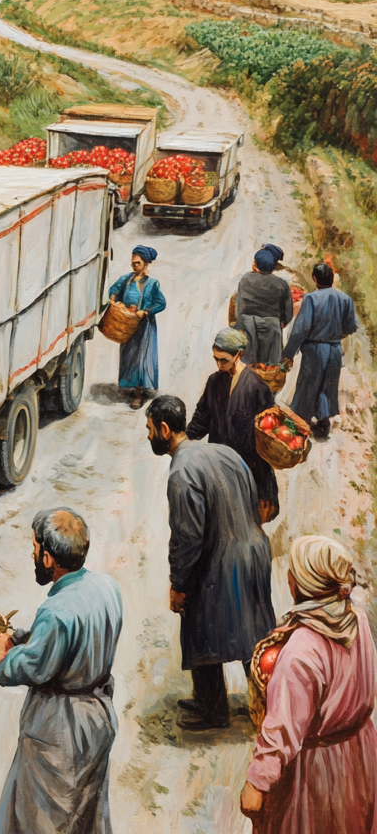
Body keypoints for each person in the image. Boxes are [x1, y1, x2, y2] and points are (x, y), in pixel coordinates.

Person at [0, 508, 122, 834]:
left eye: (35, 550)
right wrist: (20, 636)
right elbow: (61, 642)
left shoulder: (57, 610)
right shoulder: (106, 586)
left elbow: (33, 665)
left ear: (49, 558)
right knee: (84, 813)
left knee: (46, 819)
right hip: (98, 719)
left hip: (60, 730)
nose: (33, 554)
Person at [146, 394, 275, 730]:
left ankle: (213, 708)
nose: (148, 436)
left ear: (164, 428)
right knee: (255, 633)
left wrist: (179, 585)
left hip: (222, 562)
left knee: (200, 627)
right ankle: (272, 706)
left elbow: (188, 536)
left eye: (149, 429)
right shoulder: (223, 451)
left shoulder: (182, 471)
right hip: (255, 554)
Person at [240, 536, 376, 834]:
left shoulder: (301, 650)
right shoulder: (358, 620)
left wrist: (258, 783)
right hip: (358, 757)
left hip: (315, 775)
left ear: (300, 584)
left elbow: (282, 729)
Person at [187, 327, 280, 523]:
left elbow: (266, 443)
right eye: (216, 359)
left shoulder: (258, 388)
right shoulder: (214, 382)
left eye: (224, 360)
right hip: (218, 468)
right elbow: (202, 417)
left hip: (247, 472)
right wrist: (183, 441)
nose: (219, 365)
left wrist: (266, 491)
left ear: (239, 354)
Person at [282, 262, 359, 441]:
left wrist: (288, 354)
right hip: (334, 349)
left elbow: (301, 329)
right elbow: (350, 327)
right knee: (328, 385)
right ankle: (323, 426)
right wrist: (334, 335)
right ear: (332, 279)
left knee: (308, 385)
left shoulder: (311, 299)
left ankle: (301, 423)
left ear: (315, 279)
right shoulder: (345, 299)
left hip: (314, 349)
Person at [108, 245, 166, 410]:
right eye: (133, 262)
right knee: (128, 356)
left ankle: (138, 395)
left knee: (140, 359)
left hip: (143, 327)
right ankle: (129, 386)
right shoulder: (126, 279)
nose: (134, 266)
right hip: (127, 324)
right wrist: (115, 302)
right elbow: (113, 291)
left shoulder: (152, 283)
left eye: (138, 263)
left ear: (146, 263)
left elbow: (161, 303)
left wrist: (146, 312)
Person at [235, 248, 293, 366]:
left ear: (255, 265)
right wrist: (283, 322)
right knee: (270, 366)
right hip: (272, 327)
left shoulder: (245, 280)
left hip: (247, 325)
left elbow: (239, 308)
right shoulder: (281, 284)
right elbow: (288, 311)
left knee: (249, 365)